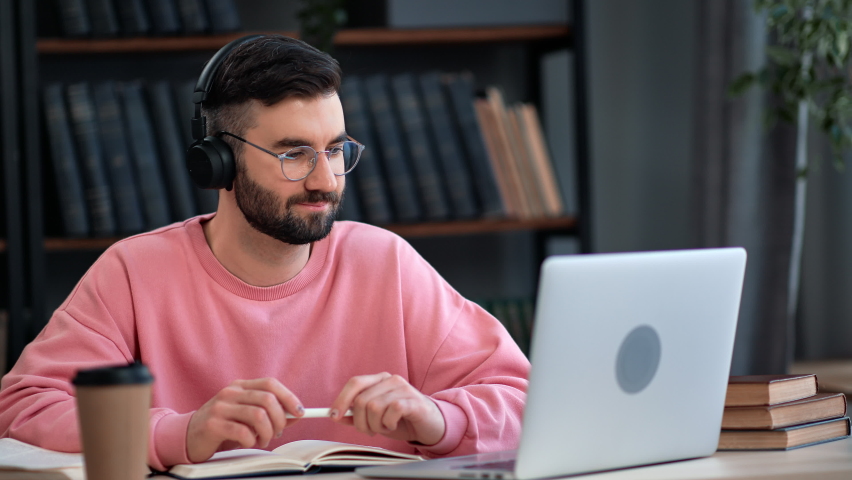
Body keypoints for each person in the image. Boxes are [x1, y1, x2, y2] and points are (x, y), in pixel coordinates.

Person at [0, 35, 529, 471]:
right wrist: (180, 433)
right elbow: (22, 407)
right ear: (218, 163)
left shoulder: (385, 262)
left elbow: (526, 398)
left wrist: (440, 419)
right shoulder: (135, 272)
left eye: (335, 150)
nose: (325, 180)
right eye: (294, 154)